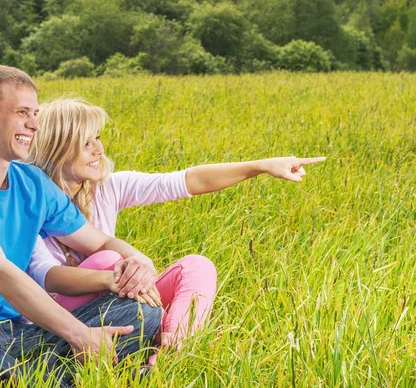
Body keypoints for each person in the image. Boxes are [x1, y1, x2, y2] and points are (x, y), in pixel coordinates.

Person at [0, 66, 163, 387]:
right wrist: (79, 335)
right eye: (23, 112)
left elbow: (100, 243)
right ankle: (67, 379)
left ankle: (33, 379)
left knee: (141, 310)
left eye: (36, 114)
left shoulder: (33, 184)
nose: (35, 125)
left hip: (19, 335)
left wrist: (138, 261)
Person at [26, 97, 326, 362]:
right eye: (86, 142)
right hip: (58, 319)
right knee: (110, 260)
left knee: (197, 266)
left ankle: (170, 352)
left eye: (98, 138)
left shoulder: (108, 187)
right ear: (57, 147)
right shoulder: (27, 200)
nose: (99, 150)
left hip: (116, 296)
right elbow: (47, 276)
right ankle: (148, 336)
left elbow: (185, 181)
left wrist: (262, 165)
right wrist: (113, 277)